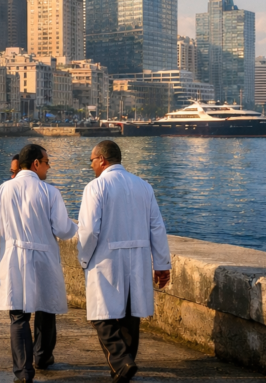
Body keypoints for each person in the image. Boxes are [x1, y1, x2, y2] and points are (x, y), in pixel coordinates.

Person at [0, 144, 78, 383]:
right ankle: (42, 356)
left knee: (18, 316)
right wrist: (78, 226)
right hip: (44, 258)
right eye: (46, 162)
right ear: (35, 163)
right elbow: (64, 230)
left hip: (13, 258)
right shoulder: (50, 192)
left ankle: (23, 372)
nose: (48, 167)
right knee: (46, 309)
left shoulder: (1, 191)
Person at [78, 140, 171, 383]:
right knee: (130, 317)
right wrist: (161, 264)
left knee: (101, 316)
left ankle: (121, 361)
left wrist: (83, 258)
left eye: (91, 161)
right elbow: (157, 228)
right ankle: (122, 371)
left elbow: (88, 231)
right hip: (137, 260)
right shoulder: (143, 186)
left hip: (105, 259)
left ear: (102, 160)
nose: (91, 166)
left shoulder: (96, 187)